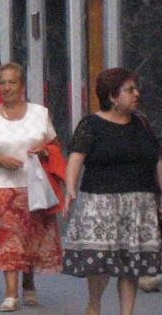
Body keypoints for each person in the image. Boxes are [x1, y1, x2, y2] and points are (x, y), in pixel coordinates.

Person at [62, 68, 162, 315]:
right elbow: (76, 159)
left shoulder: (141, 123)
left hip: (138, 204)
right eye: (130, 90)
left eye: (135, 88)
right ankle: (94, 304)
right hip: (101, 202)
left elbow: (156, 160)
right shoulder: (91, 125)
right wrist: (71, 189)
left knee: (131, 266)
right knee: (100, 263)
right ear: (113, 96)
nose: (136, 94)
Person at [0, 62, 61, 312]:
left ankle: (29, 283)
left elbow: (54, 146)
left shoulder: (39, 113)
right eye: (2, 82)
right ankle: (11, 294)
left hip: (35, 186)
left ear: (22, 86)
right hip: (1, 186)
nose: (7, 87)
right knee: (10, 238)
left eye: (12, 82)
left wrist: (43, 151)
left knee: (31, 237)